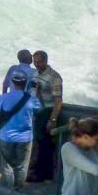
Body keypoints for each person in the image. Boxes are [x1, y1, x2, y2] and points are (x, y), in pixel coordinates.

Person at [0, 71, 42, 191]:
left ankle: (7, 191)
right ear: (25, 83)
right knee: (21, 166)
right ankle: (18, 191)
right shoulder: (31, 99)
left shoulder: (4, 97)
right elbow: (39, 110)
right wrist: (36, 93)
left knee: (6, 166)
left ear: (12, 82)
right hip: (25, 138)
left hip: (6, 136)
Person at [29, 50, 63, 182]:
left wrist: (52, 119)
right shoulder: (35, 73)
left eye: (39, 62)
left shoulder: (54, 77)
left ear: (46, 61)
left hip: (47, 112)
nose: (36, 64)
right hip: (37, 112)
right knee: (39, 142)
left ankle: (42, 174)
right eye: (35, 61)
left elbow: (58, 101)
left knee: (45, 144)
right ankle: (40, 170)